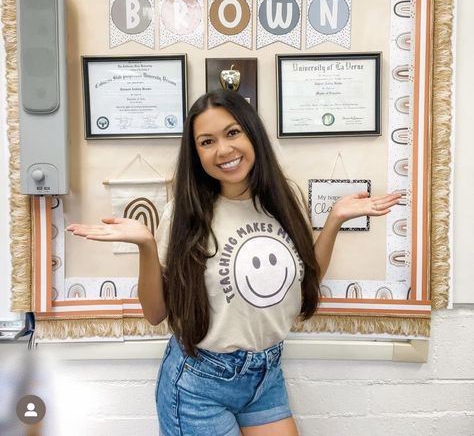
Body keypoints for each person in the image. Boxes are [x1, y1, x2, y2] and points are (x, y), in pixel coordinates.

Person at [67, 89, 400, 436]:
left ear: (251, 133)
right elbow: (155, 313)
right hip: (199, 382)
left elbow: (304, 283)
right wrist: (147, 245)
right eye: (207, 142)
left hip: (266, 373)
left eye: (232, 132)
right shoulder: (184, 214)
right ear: (196, 154)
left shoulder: (285, 202)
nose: (223, 150)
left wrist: (333, 221)